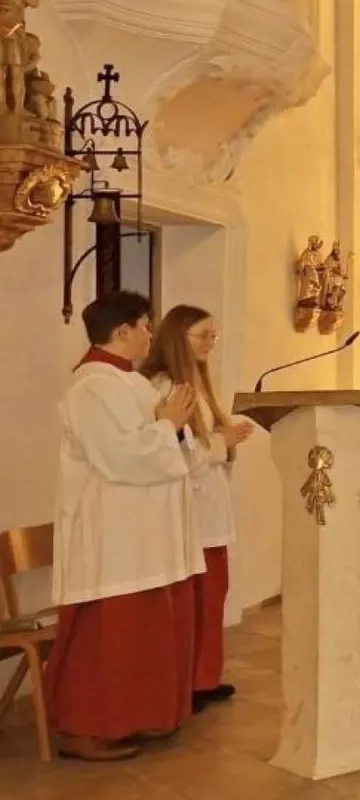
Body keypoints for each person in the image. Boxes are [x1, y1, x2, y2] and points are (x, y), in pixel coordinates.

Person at [45, 291, 204, 760]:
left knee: (144, 633)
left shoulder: (129, 383)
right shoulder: (91, 387)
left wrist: (174, 428)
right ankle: (86, 726)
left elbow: (169, 449)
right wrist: (167, 427)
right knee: (107, 637)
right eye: (145, 326)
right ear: (122, 332)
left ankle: (137, 715)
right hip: (111, 535)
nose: (149, 335)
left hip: (145, 534)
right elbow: (121, 459)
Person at [141, 306, 254, 713]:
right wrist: (223, 441)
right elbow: (177, 455)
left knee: (212, 596)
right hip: (187, 511)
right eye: (202, 335)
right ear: (177, 337)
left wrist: (226, 439)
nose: (209, 343)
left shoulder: (198, 384)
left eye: (213, 336)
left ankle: (204, 676)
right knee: (195, 600)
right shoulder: (165, 386)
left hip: (210, 510)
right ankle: (186, 682)